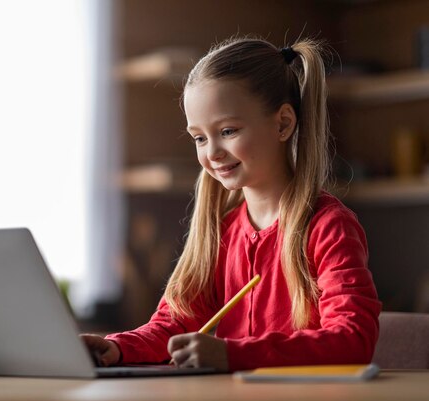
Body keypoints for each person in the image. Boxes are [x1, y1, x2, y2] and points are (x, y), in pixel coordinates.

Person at [81, 36, 382, 372]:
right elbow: (175, 325)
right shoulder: (220, 231)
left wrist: (231, 354)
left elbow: (353, 340)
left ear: (283, 123)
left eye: (227, 130)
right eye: (199, 137)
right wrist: (116, 347)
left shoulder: (329, 227)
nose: (212, 153)